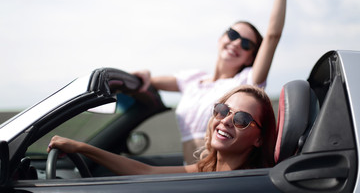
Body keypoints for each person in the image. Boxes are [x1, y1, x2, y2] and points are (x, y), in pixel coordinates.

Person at [133, 0, 298, 164]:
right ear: (221, 38)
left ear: (250, 58)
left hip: (217, 175)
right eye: (233, 35)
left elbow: (273, 36)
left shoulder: (245, 83)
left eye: (247, 44)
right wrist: (144, 73)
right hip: (191, 175)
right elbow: (147, 81)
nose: (237, 43)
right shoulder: (193, 79)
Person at [47, 85, 276, 174]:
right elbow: (145, 172)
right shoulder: (208, 170)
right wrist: (82, 147)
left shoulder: (250, 181)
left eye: (242, 119)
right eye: (223, 110)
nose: (226, 120)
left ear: (259, 139)